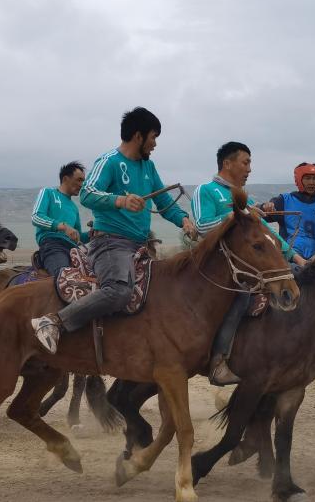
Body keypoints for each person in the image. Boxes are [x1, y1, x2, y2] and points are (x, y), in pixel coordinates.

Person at [31, 107, 196, 354]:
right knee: (119, 291)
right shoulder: (109, 161)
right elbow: (87, 194)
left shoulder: (148, 168)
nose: (155, 144)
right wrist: (120, 201)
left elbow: (164, 203)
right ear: (138, 136)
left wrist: (184, 221)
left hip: (139, 245)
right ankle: (54, 321)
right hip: (111, 243)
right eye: (153, 137)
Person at [192, 142, 303, 385]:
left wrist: (295, 257)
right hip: (217, 270)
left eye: (250, 163)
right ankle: (218, 362)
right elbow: (202, 227)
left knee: (292, 279)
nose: (249, 169)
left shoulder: (246, 199)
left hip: (245, 266)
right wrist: (234, 215)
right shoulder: (206, 190)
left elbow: (265, 236)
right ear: (227, 163)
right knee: (242, 296)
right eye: (246, 162)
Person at [260, 162, 315, 261]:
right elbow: (259, 216)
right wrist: (265, 207)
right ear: (298, 179)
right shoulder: (284, 200)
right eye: (307, 178)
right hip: (291, 259)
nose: (312, 182)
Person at [31, 162, 90, 278]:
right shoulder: (48, 192)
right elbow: (36, 217)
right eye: (79, 180)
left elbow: (77, 237)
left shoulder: (74, 207)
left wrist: (94, 233)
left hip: (73, 250)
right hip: (53, 246)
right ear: (65, 179)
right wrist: (63, 226)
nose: (82, 184)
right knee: (65, 279)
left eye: (83, 181)